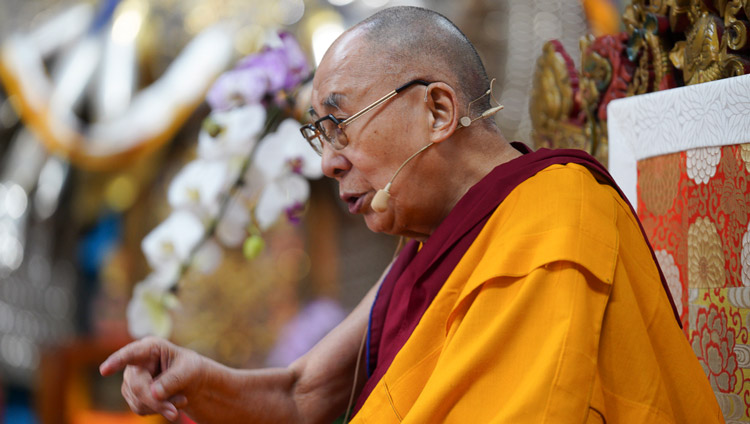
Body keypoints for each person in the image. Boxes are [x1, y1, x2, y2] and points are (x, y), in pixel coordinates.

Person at [100, 6, 724, 423]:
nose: (329, 164)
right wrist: (197, 383)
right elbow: (302, 393)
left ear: (438, 112)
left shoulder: (555, 219)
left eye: (339, 126)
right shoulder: (428, 246)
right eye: (321, 138)